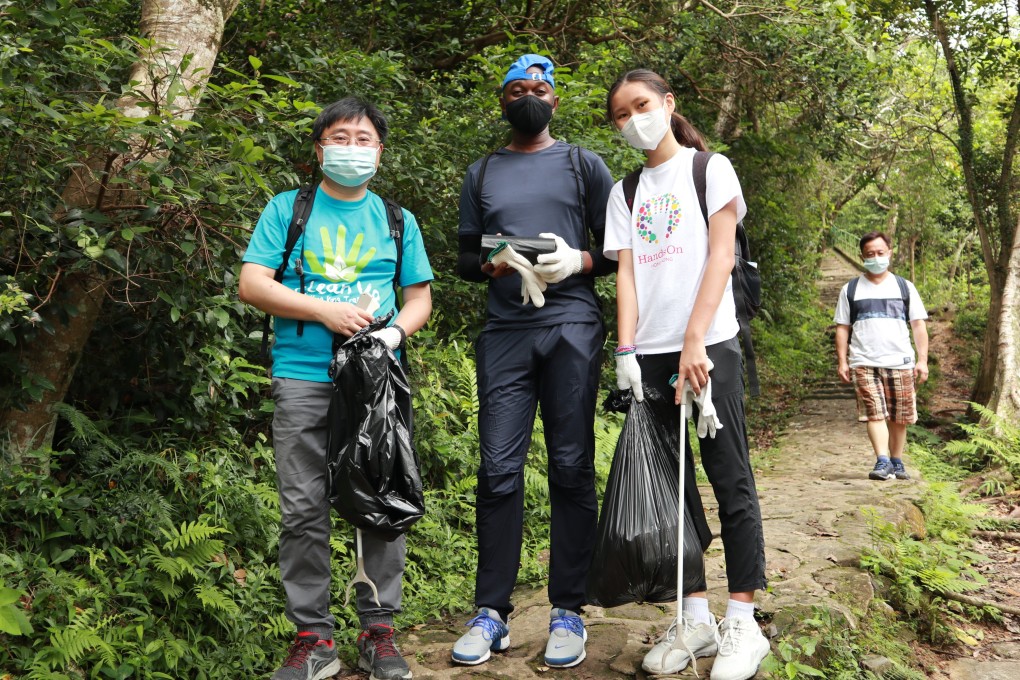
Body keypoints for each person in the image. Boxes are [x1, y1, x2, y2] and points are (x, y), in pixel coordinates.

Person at [238, 96, 433, 680]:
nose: (352, 148)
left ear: (380, 150)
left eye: (364, 138)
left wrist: (394, 334)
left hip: (373, 381)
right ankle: (312, 638)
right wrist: (323, 311)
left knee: (379, 499)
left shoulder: (397, 219)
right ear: (319, 148)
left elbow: (419, 296)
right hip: (301, 376)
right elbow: (252, 283)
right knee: (302, 508)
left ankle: (379, 630)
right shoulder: (288, 209)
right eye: (340, 137)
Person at [450, 53, 616, 669]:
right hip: (506, 329)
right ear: (502, 101)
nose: (530, 96)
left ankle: (568, 611)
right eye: (518, 89)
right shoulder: (483, 171)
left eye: (540, 89)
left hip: (571, 323)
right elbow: (465, 261)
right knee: (497, 469)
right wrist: (493, 265)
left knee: (571, 466)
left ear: (554, 100)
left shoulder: (582, 164)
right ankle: (491, 612)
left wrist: (577, 261)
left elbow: (618, 252)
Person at [604, 69, 770, 680]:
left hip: (710, 344)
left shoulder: (710, 168)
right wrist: (625, 348)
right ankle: (694, 616)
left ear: (668, 103)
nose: (632, 120)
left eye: (640, 105)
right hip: (648, 355)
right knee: (672, 490)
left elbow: (721, 255)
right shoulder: (624, 190)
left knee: (730, 479)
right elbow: (625, 273)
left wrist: (694, 340)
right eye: (620, 114)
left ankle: (744, 623)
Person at [834, 231, 929, 481]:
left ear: (889, 252)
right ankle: (882, 461)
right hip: (864, 362)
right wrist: (843, 360)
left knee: (900, 417)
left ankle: (897, 461)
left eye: (880, 253)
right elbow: (842, 327)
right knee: (873, 413)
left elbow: (918, 325)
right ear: (862, 256)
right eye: (870, 254)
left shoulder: (904, 287)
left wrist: (922, 360)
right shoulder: (851, 289)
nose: (875, 258)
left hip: (900, 361)